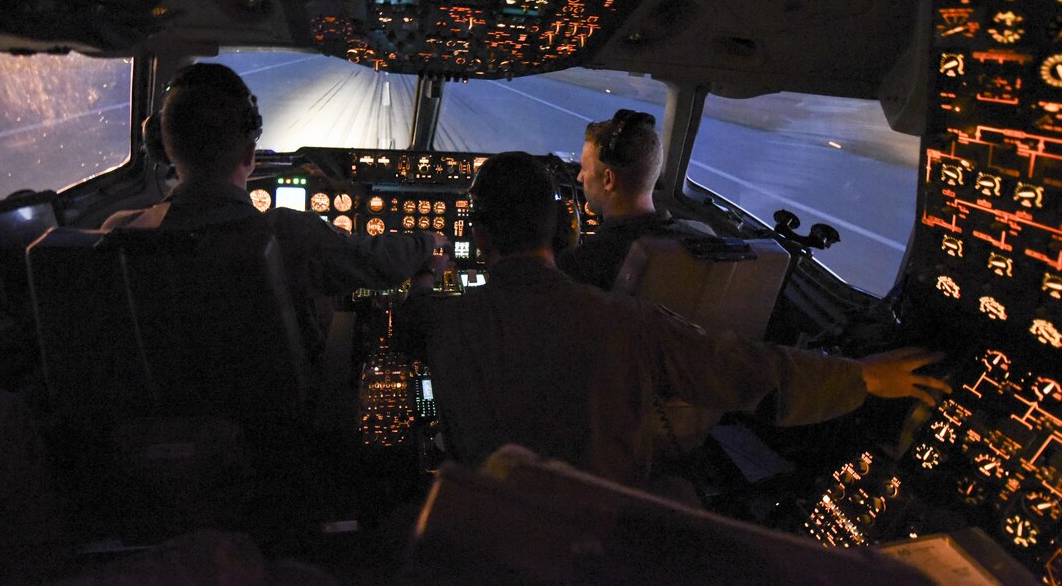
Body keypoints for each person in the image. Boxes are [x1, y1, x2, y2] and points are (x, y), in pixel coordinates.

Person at [401, 152, 949, 489]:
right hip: (597, 532)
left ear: (481, 235)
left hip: (486, 523)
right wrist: (861, 377)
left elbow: (410, 325)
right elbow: (739, 367)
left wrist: (426, 278)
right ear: (564, 230)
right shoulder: (627, 321)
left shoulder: (441, 320)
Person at [102, 62, 445, 357]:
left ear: (164, 150)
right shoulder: (288, 233)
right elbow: (377, 261)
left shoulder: (119, 233)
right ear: (250, 154)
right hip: (281, 418)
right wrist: (429, 241)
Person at [557, 108, 704, 290]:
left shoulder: (582, 265)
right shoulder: (702, 240)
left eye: (584, 169)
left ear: (609, 180)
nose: (579, 178)